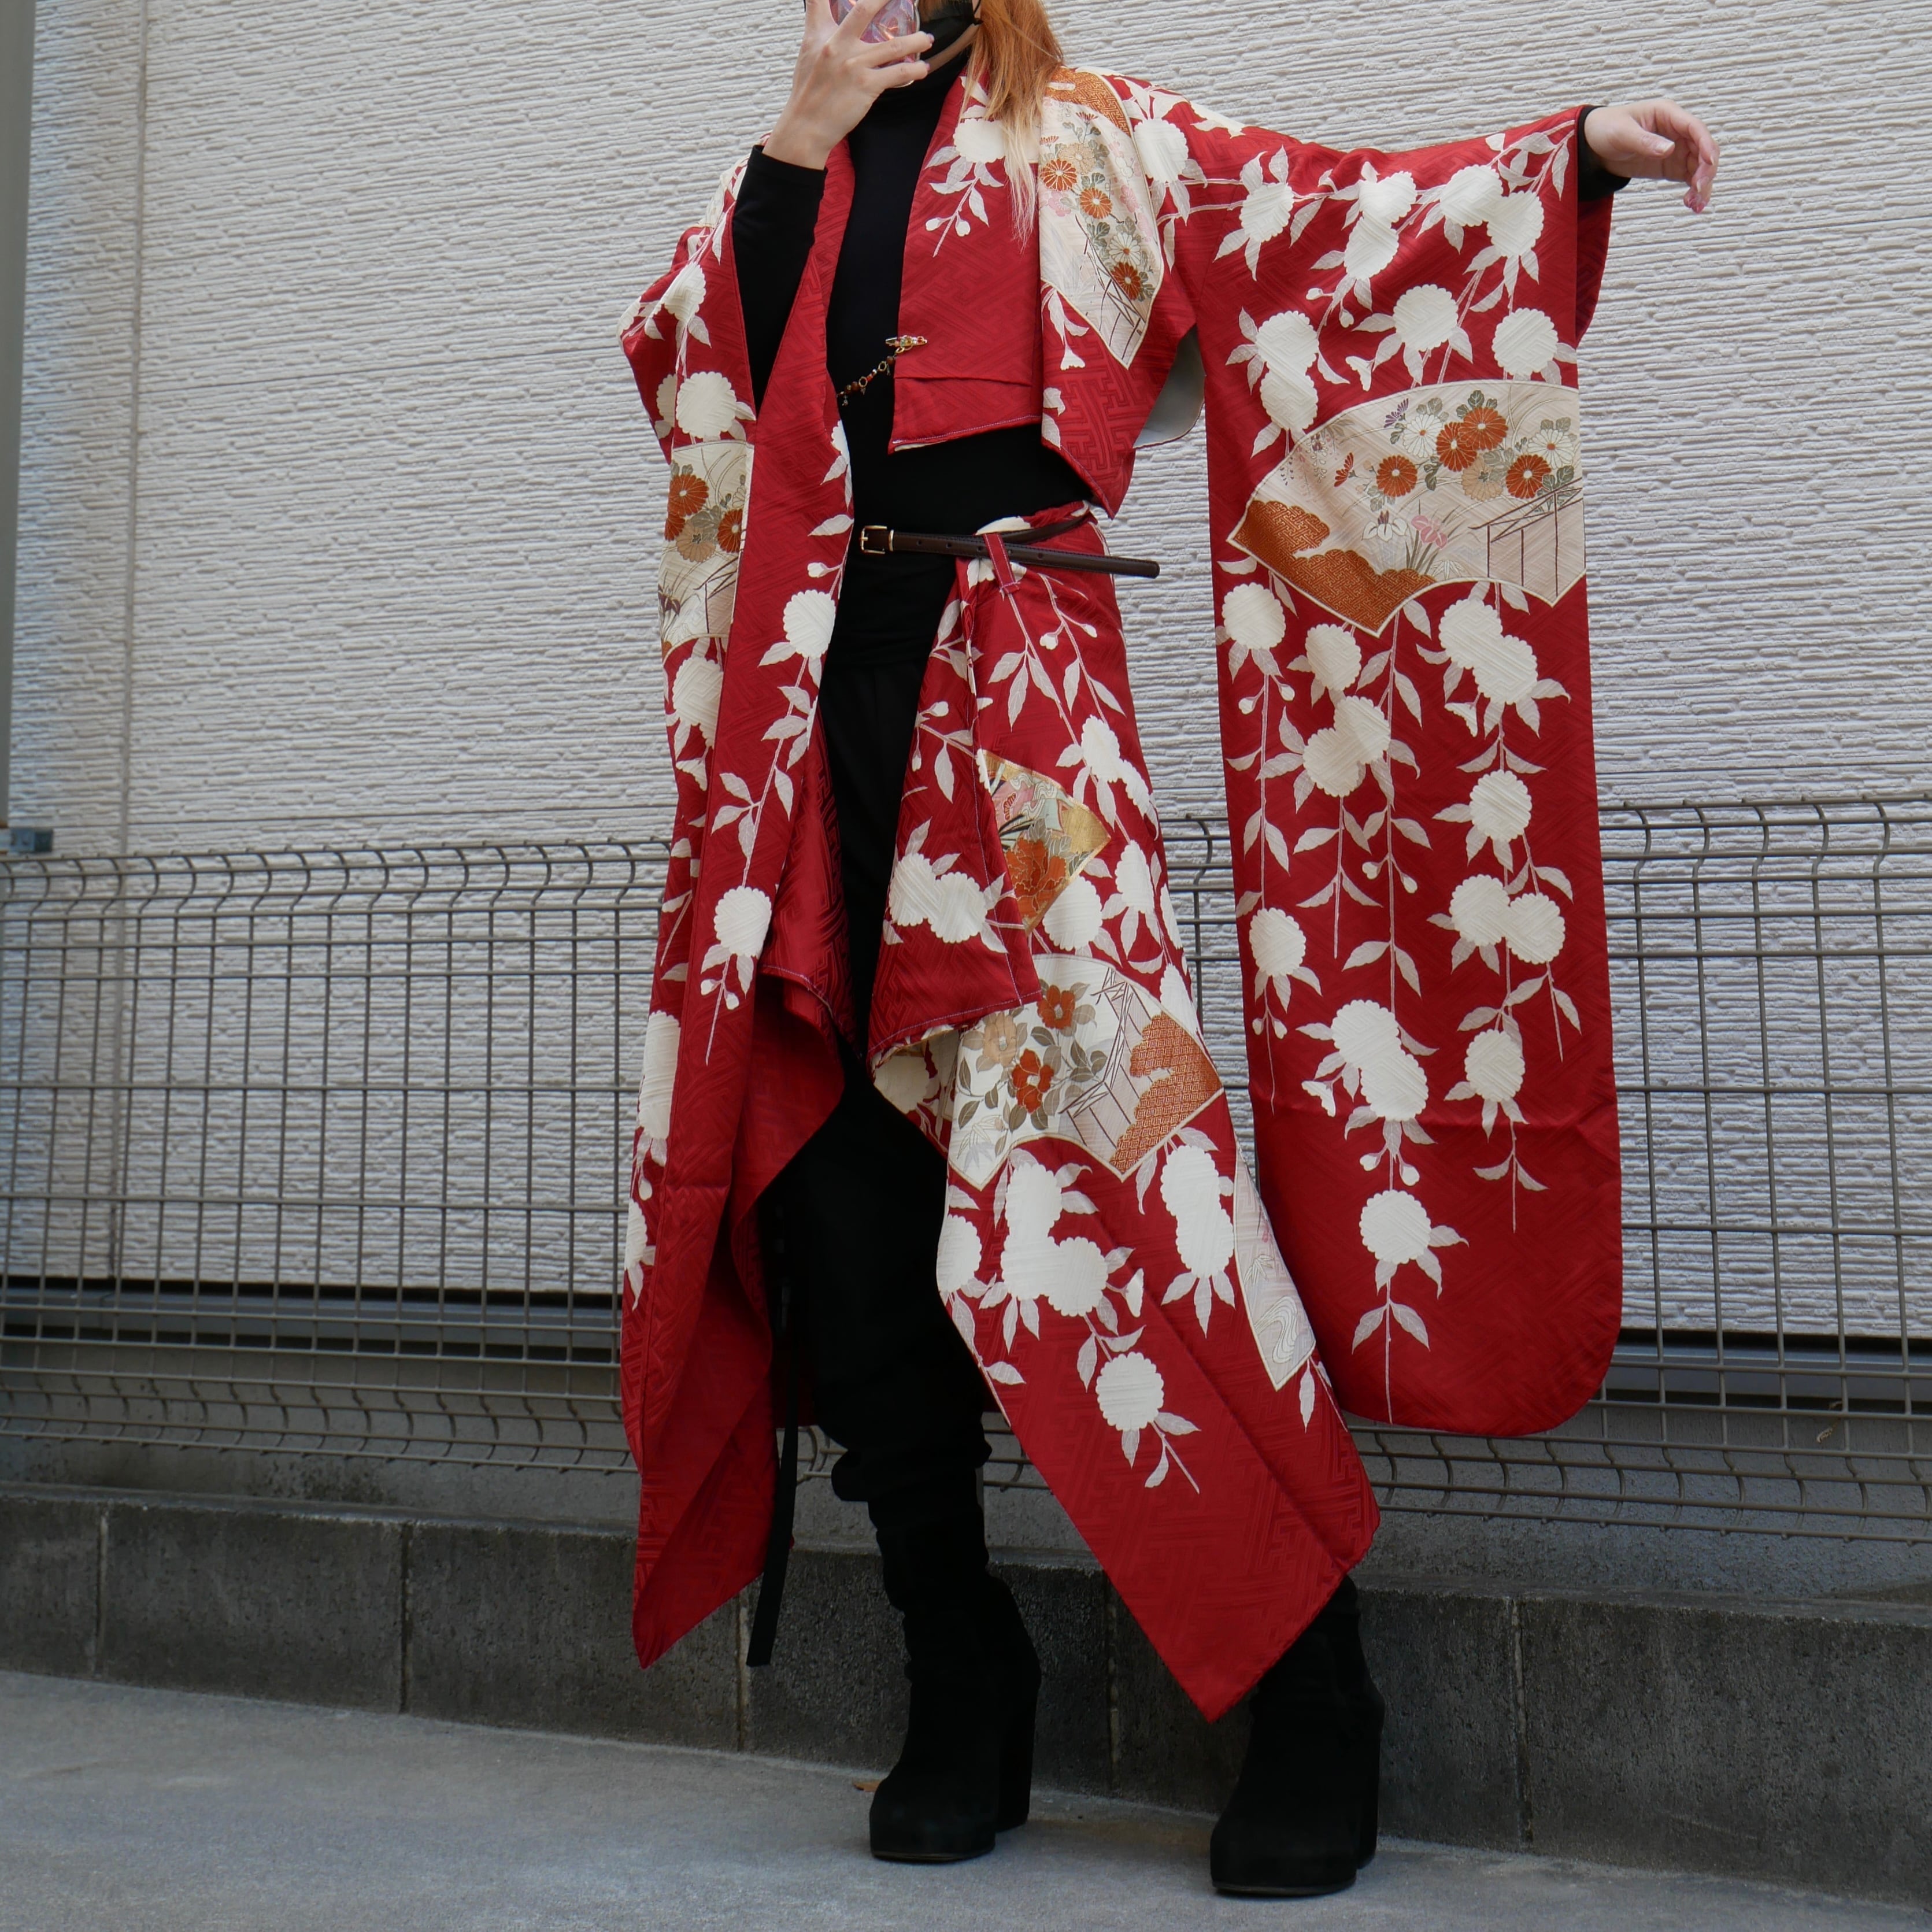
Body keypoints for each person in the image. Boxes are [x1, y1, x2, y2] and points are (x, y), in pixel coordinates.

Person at [618, 0, 1717, 1897]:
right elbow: (703, 393)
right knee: (845, 1212)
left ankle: (1309, 1693)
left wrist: (1565, 161)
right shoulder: (767, 171)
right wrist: (797, 149)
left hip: (1018, 705)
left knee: (1129, 1184)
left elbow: (1333, 225)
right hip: (797, 736)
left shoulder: (1095, 128)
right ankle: (963, 1674)